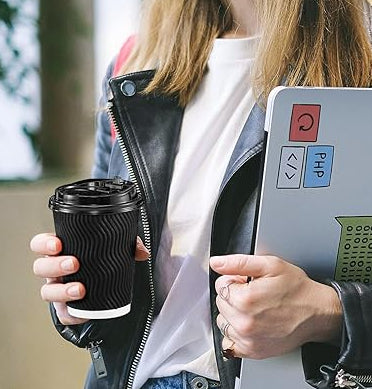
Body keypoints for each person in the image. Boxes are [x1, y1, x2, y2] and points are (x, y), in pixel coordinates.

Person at [30, 0, 372, 388]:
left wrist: (328, 313)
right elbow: (111, 271)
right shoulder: (133, 65)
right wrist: (75, 297)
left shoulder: (359, 70)